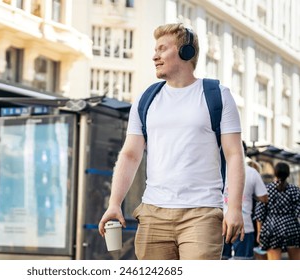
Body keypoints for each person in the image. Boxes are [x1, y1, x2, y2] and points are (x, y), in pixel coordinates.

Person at [98, 23, 245, 260]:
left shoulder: (217, 94)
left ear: (186, 52)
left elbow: (234, 154)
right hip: (153, 214)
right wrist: (115, 203)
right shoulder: (146, 99)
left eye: (162, 49)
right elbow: (130, 155)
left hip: (202, 213)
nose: (154, 56)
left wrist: (235, 208)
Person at [222, 141, 268, 260]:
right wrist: (249, 194)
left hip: (221, 224)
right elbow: (264, 197)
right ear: (245, 152)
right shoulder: (252, 173)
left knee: (221, 260)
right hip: (244, 225)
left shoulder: (219, 170)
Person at [255, 162, 300, 260]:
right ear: (288, 174)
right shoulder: (294, 190)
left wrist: (259, 232)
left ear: (275, 173)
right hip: (291, 227)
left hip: (272, 228)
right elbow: (298, 212)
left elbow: (260, 213)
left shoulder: (267, 189)